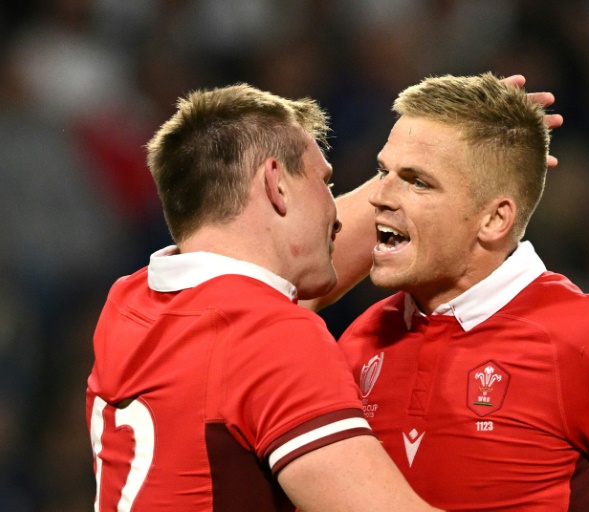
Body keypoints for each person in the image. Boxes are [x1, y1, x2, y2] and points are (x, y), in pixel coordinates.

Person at [337, 73, 589, 511]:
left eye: (418, 181)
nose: (379, 197)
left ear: (495, 220)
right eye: (383, 171)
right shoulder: (362, 340)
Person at [85, 83, 441, 512]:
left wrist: (439, 152)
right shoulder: (271, 337)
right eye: (324, 182)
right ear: (276, 183)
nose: (335, 214)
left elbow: (261, 313)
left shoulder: (130, 301)